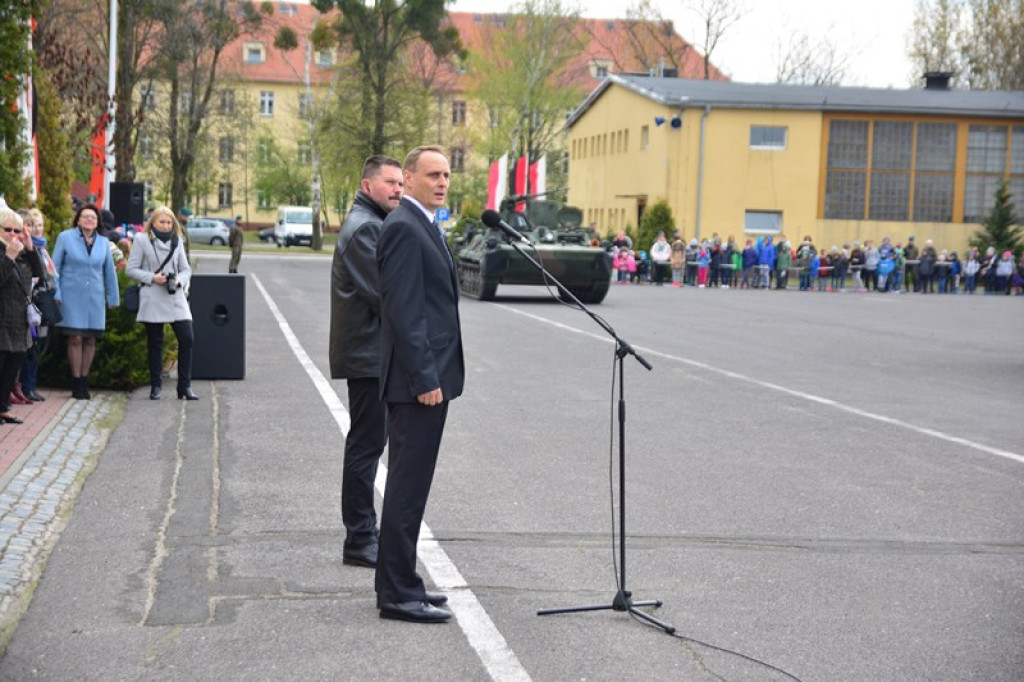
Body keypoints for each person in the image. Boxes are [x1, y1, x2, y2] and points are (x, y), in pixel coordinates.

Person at [374, 145, 464, 623]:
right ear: (407, 178)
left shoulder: (424, 224)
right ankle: (396, 594)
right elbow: (404, 312)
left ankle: (404, 581)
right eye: (433, 174)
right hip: (417, 385)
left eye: (447, 174)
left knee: (413, 489)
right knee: (406, 491)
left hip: (429, 380)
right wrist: (425, 377)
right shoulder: (405, 229)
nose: (442, 181)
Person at [329, 155, 403, 569]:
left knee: (368, 444)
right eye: (389, 182)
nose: (397, 189)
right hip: (368, 356)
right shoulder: (366, 228)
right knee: (366, 446)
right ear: (366, 184)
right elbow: (383, 294)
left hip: (371, 354)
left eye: (400, 183)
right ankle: (359, 537)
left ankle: (363, 533)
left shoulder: (371, 222)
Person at [125, 206, 197, 401]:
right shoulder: (142, 240)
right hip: (153, 294)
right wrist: (152, 277)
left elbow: (185, 269)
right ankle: (156, 385)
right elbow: (131, 269)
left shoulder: (177, 240)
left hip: (175, 295)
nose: (165, 226)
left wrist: (180, 280)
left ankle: (184, 386)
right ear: (153, 222)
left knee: (187, 338)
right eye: (162, 222)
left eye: (169, 222)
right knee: (155, 343)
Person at [52, 203, 120, 399]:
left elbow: (109, 272)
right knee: (75, 338)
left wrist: (112, 298)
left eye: (93, 217)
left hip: (95, 298)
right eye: (85, 217)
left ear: (98, 221)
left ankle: (84, 380)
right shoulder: (65, 238)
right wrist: (56, 293)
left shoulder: (103, 242)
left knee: (90, 339)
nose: (89, 220)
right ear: (78, 220)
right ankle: (75, 382)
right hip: (71, 296)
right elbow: (54, 268)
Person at [0, 209, 44, 424]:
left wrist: (30, 247)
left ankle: (3, 407)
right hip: (1, 317)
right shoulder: (5, 252)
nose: (12, 234)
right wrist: (8, 257)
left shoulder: (24, 253)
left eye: (17, 230)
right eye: (7, 229)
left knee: (12, 367)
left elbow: (41, 276)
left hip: (19, 320)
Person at [18, 208, 57, 403]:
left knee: (39, 345)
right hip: (30, 301)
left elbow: (48, 273)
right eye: (32, 225)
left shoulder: (42, 248)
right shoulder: (26, 249)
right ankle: (26, 386)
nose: (36, 229)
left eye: (39, 225)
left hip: (42, 301)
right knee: (29, 347)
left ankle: (31, 385)